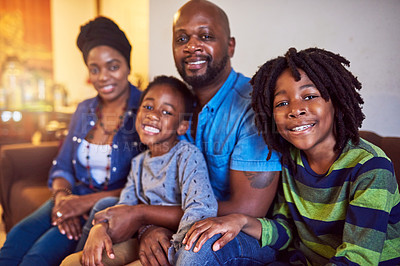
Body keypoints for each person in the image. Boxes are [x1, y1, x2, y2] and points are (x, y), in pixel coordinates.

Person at [182, 47, 400, 265]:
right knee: (202, 248)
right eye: (282, 103)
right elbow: (286, 232)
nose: (295, 110)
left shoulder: (371, 167)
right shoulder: (290, 160)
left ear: (336, 101)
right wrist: (240, 221)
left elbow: (357, 260)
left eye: (310, 96)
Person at [0, 16, 143, 266]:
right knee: (15, 239)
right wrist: (64, 199)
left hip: (109, 207)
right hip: (74, 195)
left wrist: (81, 205)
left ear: (128, 66)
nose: (103, 77)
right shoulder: (84, 109)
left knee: (38, 257)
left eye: (113, 66)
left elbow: (147, 184)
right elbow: (62, 166)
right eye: (94, 68)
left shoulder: (145, 109)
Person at [75, 75, 218, 266]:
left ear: (183, 126)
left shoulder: (187, 156)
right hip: (144, 237)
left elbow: (201, 209)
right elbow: (125, 205)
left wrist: (175, 250)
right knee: (73, 262)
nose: (153, 115)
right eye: (148, 107)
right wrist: (99, 227)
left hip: (176, 245)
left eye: (166, 112)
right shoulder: (138, 163)